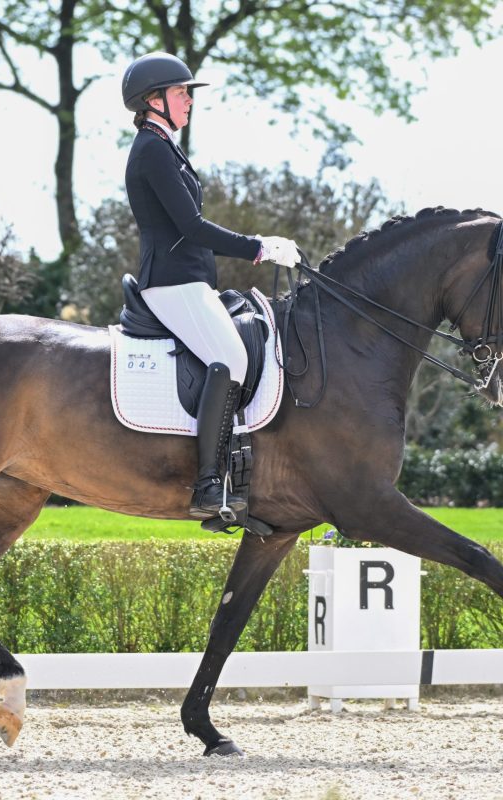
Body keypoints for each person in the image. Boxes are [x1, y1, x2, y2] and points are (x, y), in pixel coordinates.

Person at [122, 52, 300, 522]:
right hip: (171, 282)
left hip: (189, 281)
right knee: (231, 357)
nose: (188, 102)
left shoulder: (165, 147)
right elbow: (192, 227)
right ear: (153, 99)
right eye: (181, 93)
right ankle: (207, 484)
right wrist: (258, 248)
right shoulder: (152, 150)